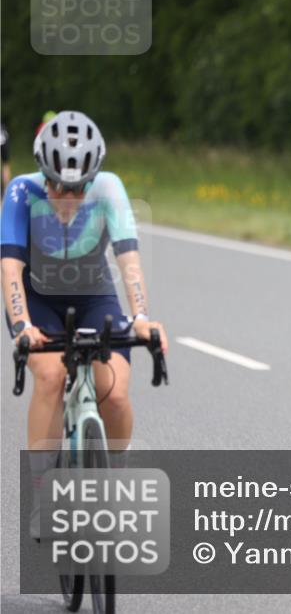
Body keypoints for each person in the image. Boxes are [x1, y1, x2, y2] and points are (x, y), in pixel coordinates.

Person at [1, 111, 168, 539]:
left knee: (113, 392)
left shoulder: (110, 188)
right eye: (56, 184)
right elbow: (10, 267)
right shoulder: (20, 192)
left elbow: (128, 260)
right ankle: (43, 495)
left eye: (76, 187)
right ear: (43, 173)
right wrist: (22, 325)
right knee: (53, 374)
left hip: (95, 295)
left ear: (92, 179)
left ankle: (113, 482)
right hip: (37, 299)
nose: (66, 195)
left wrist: (143, 318)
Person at [0, 122, 10, 194]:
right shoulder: (2, 125)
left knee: (5, 165)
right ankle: (6, 191)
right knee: (5, 164)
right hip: (4, 137)